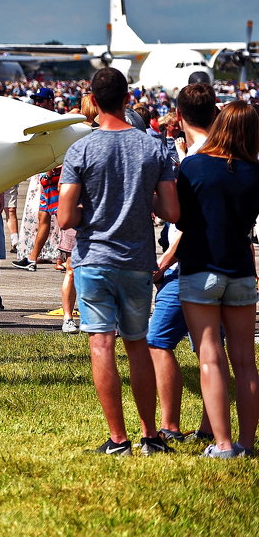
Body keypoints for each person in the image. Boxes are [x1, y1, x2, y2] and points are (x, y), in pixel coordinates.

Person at [58, 67, 179, 456]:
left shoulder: (81, 149)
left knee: (101, 345)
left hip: (94, 258)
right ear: (127, 98)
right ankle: (150, 435)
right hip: (137, 257)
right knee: (137, 345)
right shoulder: (152, 147)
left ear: (92, 100)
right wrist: (142, 201)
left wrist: (86, 211)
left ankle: (118, 439)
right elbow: (171, 210)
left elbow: (64, 218)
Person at [173, 100, 259, 458]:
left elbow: (180, 220)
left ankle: (222, 443)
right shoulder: (255, 172)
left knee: (210, 356)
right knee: (244, 360)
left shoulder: (193, 166)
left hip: (201, 265)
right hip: (240, 269)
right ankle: (247, 443)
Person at [148, 81, 215, 442]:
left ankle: (171, 425)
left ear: (181, 114)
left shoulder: (195, 161)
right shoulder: (221, 151)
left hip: (184, 266)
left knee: (159, 340)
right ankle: (208, 426)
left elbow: (190, 222)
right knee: (211, 348)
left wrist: (166, 259)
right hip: (218, 263)